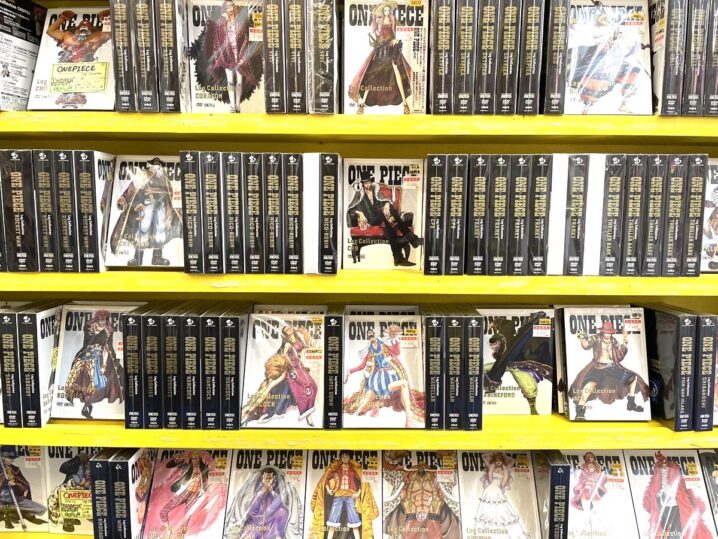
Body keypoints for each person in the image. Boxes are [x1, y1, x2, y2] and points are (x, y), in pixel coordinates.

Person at [344, 326, 424, 428]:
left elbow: (397, 352)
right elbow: (362, 366)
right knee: (362, 406)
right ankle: (375, 405)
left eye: (372, 334)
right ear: (368, 338)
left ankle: (409, 420)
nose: (371, 336)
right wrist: (349, 371)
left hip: (389, 378)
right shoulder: (369, 351)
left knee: (403, 384)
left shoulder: (384, 345)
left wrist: (395, 339)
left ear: (375, 335)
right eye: (369, 335)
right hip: (375, 382)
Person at [568, 321, 649, 420]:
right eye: (606, 332)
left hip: (612, 368)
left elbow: (619, 357)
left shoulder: (614, 341)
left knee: (633, 377)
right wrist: (583, 338)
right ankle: (580, 411)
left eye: (609, 332)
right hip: (598, 367)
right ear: (602, 331)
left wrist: (625, 339)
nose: (607, 334)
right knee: (590, 384)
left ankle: (631, 403)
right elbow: (586, 345)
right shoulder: (596, 338)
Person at [109, 158, 182, 267]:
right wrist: (124, 199)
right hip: (146, 205)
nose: (157, 166)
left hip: (161, 205)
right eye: (155, 164)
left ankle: (157, 257)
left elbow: (170, 192)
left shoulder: (164, 177)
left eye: (159, 164)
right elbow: (132, 188)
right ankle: (138, 257)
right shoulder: (142, 176)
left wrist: (169, 209)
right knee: (143, 229)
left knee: (160, 231)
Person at [242, 325, 318, 427]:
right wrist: (288, 363)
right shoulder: (287, 344)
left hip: (298, 368)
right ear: (285, 334)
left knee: (309, 388)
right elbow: (284, 356)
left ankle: (309, 418)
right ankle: (248, 410)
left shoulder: (299, 340)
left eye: (289, 328)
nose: (289, 329)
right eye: (286, 330)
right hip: (289, 369)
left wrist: (298, 330)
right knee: (269, 387)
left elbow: (308, 343)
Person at [346, 170, 422, 267]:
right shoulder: (359, 194)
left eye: (369, 182)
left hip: (381, 216)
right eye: (365, 183)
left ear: (371, 182)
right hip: (370, 220)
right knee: (388, 214)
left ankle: (398, 258)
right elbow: (351, 208)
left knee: (389, 220)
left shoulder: (376, 191)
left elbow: (384, 200)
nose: (367, 185)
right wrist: (360, 213)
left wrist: (387, 204)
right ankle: (412, 239)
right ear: (362, 184)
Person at [348, 1, 413, 113]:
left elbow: (402, 31)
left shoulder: (393, 19)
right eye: (385, 10)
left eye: (388, 10)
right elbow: (375, 32)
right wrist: (374, 19)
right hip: (381, 49)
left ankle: (405, 104)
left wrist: (397, 39)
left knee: (397, 72)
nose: (387, 12)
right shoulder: (379, 20)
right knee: (373, 75)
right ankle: (362, 104)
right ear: (383, 11)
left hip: (392, 48)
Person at [483, 313, 553, 414]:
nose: (493, 347)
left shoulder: (514, 337)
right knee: (485, 368)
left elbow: (509, 326)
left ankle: (532, 406)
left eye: (495, 344)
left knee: (528, 386)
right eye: (492, 345)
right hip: (510, 363)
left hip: (520, 362)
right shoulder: (507, 340)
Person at [45, 10, 111, 107]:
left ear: (91, 29)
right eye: (81, 27)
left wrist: (107, 19)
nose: (84, 29)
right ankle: (67, 96)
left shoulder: (95, 37)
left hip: (86, 65)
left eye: (87, 27)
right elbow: (50, 31)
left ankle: (76, 96)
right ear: (77, 29)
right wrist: (62, 18)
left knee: (80, 83)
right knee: (66, 83)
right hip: (67, 64)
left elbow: (109, 33)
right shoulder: (67, 36)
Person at [64, 310, 123, 419]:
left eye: (103, 320)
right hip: (87, 355)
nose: (101, 322)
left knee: (96, 379)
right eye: (100, 319)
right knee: (77, 372)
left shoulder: (108, 332)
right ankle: (76, 395)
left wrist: (104, 364)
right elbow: (87, 328)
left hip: (100, 357)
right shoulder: (90, 329)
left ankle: (88, 402)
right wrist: (96, 318)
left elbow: (107, 348)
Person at [205, 0, 262, 112]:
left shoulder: (239, 22)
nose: (230, 9)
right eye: (227, 7)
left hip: (239, 56)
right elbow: (218, 40)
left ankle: (237, 105)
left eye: (231, 7)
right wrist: (224, 21)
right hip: (228, 57)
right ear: (224, 9)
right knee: (230, 82)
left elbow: (245, 40)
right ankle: (232, 106)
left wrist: (243, 57)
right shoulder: (222, 23)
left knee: (239, 82)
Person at [643, 451, 714, 539]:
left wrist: (698, 505)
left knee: (679, 532)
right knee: (668, 533)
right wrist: (657, 495)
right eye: (662, 467)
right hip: (663, 510)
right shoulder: (656, 480)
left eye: (665, 467)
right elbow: (648, 502)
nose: (664, 469)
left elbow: (688, 493)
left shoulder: (676, 478)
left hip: (677, 509)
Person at [309, 451, 379, 539]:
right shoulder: (337, 469)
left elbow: (362, 482)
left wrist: (358, 493)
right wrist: (328, 490)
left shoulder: (353, 470)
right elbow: (326, 479)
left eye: (347, 457)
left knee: (354, 521)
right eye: (343, 457)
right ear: (341, 457)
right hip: (338, 495)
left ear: (349, 458)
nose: (345, 458)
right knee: (332, 521)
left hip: (350, 496)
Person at [474, 453, 528, 539]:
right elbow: (490, 473)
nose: (498, 462)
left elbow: (505, 477)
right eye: (496, 461)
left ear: (502, 461)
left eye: (499, 461)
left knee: (500, 507)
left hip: (498, 488)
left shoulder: (504, 470)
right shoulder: (493, 467)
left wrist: (502, 483)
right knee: (489, 506)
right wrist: (492, 467)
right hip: (491, 488)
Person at [0, 447, 47, 530]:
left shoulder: (15, 469)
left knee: (42, 509)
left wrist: (16, 484)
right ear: (3, 458)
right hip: (1, 500)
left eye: (13, 458)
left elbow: (24, 484)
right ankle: (7, 512)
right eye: (10, 458)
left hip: (16, 500)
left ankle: (10, 511)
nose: (12, 460)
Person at [237, 468, 291, 538]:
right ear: (262, 478)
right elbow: (251, 509)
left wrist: (271, 492)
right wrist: (262, 493)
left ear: (274, 478)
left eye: (270, 478)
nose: (267, 480)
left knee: (283, 512)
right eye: (266, 478)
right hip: (257, 520)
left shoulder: (275, 493)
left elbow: (280, 505)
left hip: (271, 520)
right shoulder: (258, 493)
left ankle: (278, 535)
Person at [570, 452, 607, 533]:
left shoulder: (597, 467)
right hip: (585, 491)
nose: (591, 458)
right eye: (589, 457)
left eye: (592, 457)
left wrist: (594, 481)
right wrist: (586, 482)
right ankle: (586, 527)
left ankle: (602, 527)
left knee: (598, 509)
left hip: (595, 491)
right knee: (586, 511)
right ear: (586, 458)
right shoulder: (583, 467)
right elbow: (581, 478)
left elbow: (602, 478)